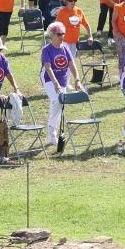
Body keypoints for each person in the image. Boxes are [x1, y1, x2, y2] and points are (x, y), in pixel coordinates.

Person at [39, 21, 84, 154]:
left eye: (63, 34)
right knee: (56, 101)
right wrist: (55, 83)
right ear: (52, 35)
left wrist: (77, 79)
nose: (61, 36)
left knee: (59, 106)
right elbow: (48, 67)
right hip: (49, 79)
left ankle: (54, 131)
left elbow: (72, 64)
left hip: (63, 80)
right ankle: (52, 132)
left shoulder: (65, 48)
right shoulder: (46, 49)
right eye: (59, 34)